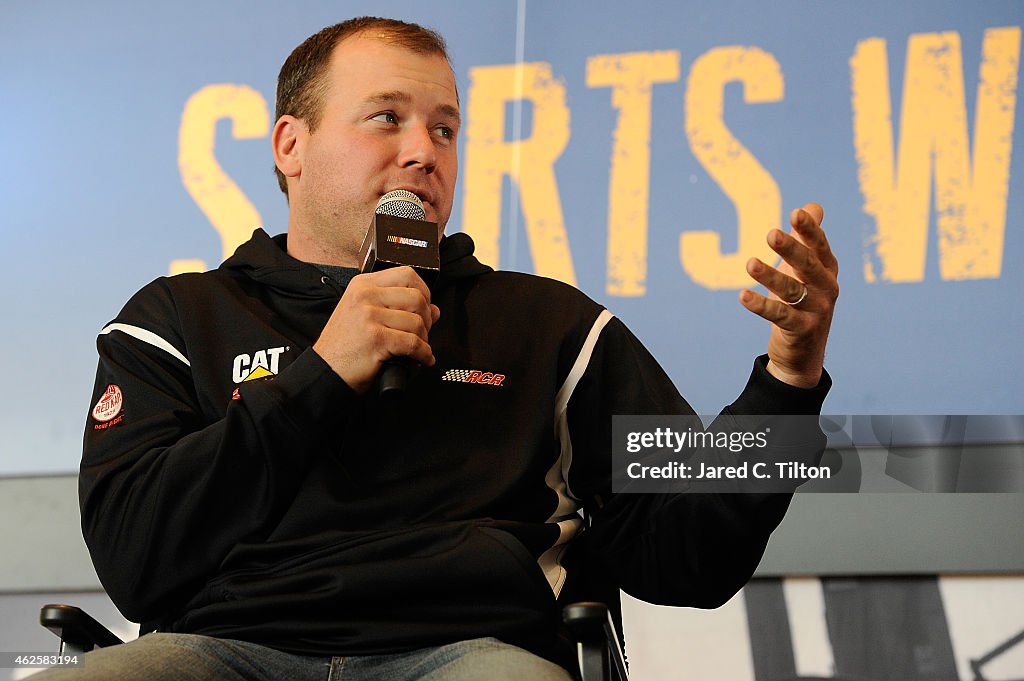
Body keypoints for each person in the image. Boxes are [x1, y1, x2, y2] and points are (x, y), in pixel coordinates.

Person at [41, 16, 838, 681]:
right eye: (387, 117)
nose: (424, 150)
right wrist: (321, 376)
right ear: (291, 144)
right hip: (222, 652)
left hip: (468, 650)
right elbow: (133, 553)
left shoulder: (547, 324)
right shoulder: (180, 318)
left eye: (444, 127)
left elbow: (689, 554)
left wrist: (789, 381)